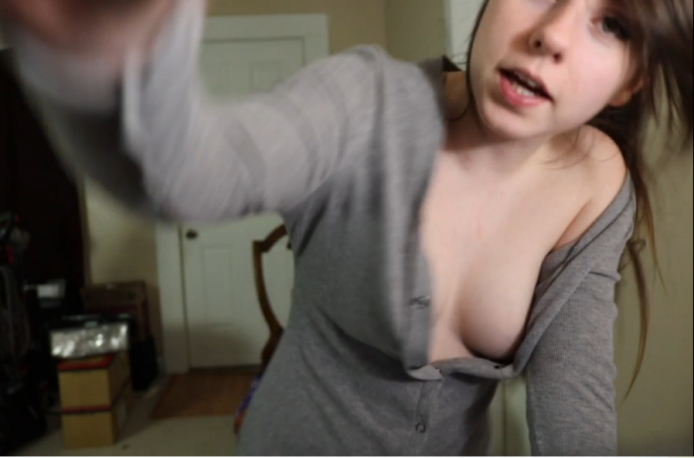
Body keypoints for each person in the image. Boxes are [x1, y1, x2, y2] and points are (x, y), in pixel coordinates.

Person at [0, 0, 692, 455]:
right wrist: (102, 58)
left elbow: (575, 410)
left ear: (631, 83)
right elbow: (187, 173)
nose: (552, 34)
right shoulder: (364, 105)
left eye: (613, 23)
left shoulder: (596, 185)